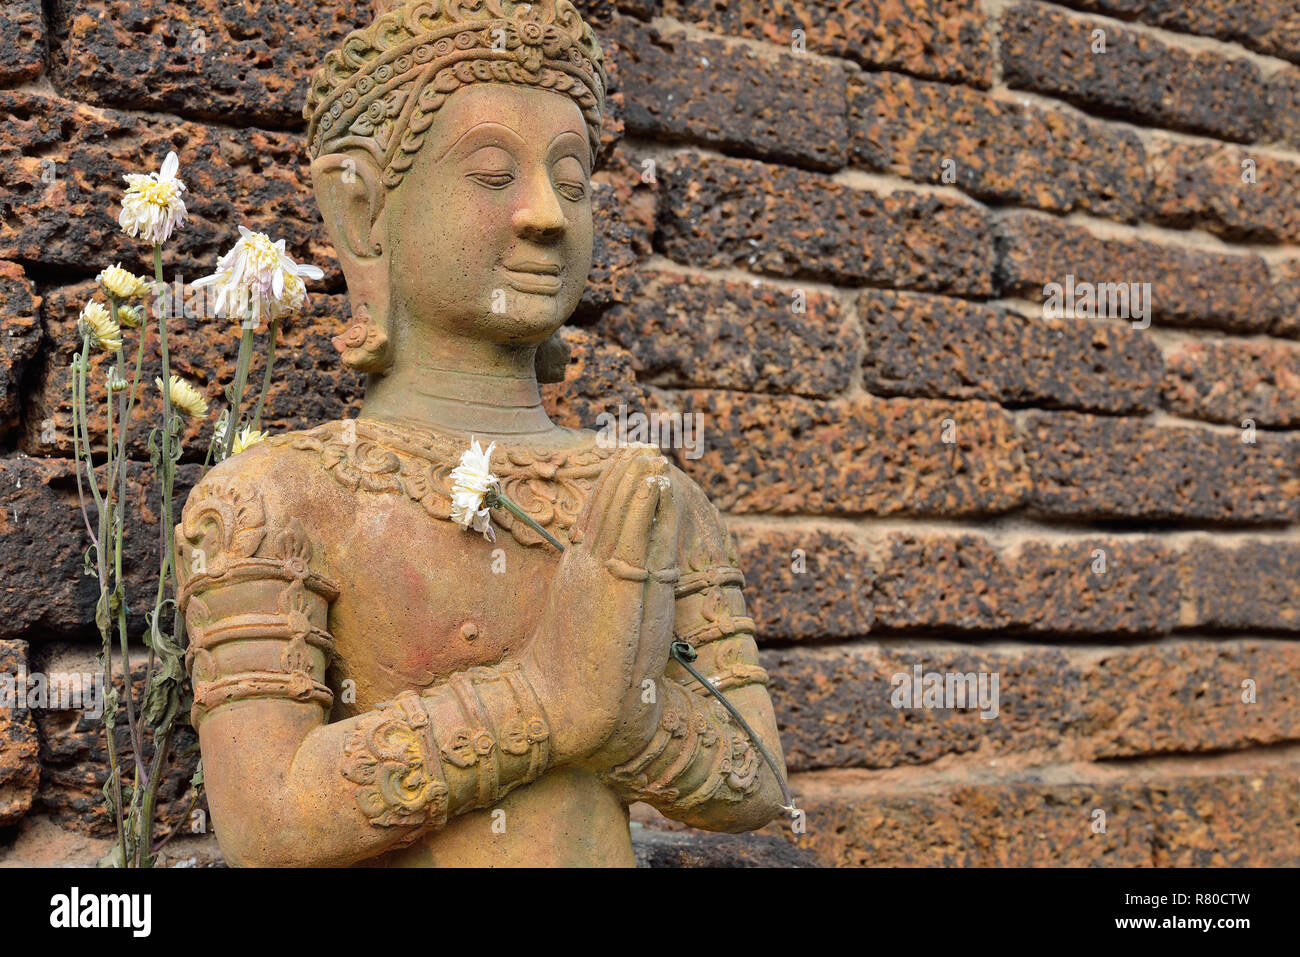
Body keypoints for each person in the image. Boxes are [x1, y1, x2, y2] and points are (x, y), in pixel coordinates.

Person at [174, 0, 787, 867]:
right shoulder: (274, 497)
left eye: (572, 181)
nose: (547, 215)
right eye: (493, 174)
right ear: (361, 210)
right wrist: (547, 696)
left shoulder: (648, 495)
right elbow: (268, 821)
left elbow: (759, 780)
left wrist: (627, 703)